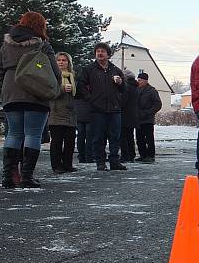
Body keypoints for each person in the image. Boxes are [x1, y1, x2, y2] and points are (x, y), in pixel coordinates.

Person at [0, 11, 60, 188]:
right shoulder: (43, 45)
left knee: (14, 134)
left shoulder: (5, 45)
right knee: (33, 134)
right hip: (36, 92)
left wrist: (4, 89)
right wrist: (54, 90)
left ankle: (7, 176)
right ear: (40, 26)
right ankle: (27, 176)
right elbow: (55, 72)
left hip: (11, 91)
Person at [77, 42, 126, 171]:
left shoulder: (116, 70)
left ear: (108, 54)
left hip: (115, 109)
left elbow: (124, 89)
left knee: (115, 137)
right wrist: (90, 99)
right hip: (97, 110)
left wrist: (120, 83)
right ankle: (100, 162)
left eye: (102, 51)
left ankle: (115, 161)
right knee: (98, 137)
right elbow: (81, 85)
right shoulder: (89, 69)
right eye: (97, 51)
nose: (99, 53)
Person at [48, 52, 78, 173]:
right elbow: (49, 92)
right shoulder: (52, 75)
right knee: (57, 142)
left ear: (68, 62)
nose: (61, 62)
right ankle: (56, 165)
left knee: (70, 142)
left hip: (70, 113)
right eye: (59, 60)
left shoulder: (72, 76)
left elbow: (77, 93)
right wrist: (61, 89)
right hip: (56, 112)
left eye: (64, 60)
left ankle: (67, 164)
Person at [136, 72, 162, 163]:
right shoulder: (137, 90)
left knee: (149, 138)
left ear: (145, 81)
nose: (138, 82)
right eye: (138, 80)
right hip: (138, 119)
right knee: (139, 139)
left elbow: (158, 104)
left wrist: (149, 112)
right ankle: (142, 155)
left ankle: (150, 156)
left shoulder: (152, 91)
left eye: (140, 80)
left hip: (148, 119)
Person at [120, 69, 140, 163]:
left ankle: (125, 156)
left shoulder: (126, 86)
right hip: (133, 115)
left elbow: (123, 101)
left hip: (125, 115)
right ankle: (131, 155)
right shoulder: (135, 87)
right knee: (130, 136)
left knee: (123, 136)